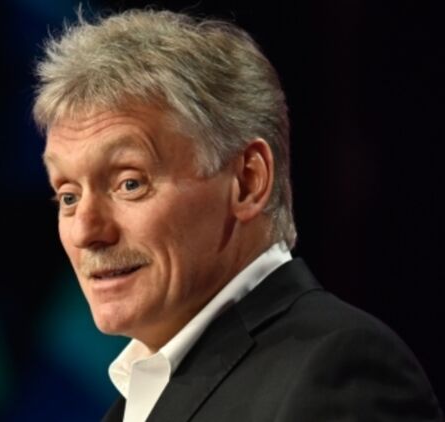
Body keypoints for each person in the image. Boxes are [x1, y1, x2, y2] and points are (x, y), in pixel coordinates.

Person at [33, 8, 442, 422]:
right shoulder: (135, 403)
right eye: (68, 196)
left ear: (247, 181)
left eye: (130, 183)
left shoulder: (338, 371)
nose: (85, 231)